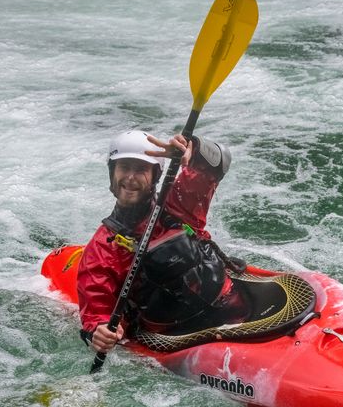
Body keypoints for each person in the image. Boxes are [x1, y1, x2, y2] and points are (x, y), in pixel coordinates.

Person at [77, 129, 245, 354]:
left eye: (141, 170)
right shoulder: (102, 248)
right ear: (112, 173)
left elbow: (218, 162)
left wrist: (192, 149)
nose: (130, 177)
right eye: (124, 167)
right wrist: (100, 331)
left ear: (156, 176)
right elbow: (97, 312)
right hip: (174, 338)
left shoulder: (179, 206)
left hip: (231, 307)